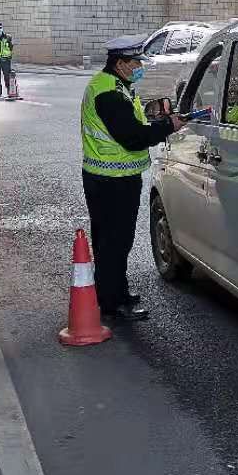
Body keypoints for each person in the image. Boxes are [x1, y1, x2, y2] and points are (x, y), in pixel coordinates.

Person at [81, 35, 185, 321]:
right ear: (120, 63)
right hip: (112, 180)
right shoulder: (109, 93)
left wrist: (154, 120)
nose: (140, 66)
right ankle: (113, 304)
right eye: (136, 61)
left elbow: (133, 124)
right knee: (115, 241)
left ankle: (114, 292)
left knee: (110, 240)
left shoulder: (116, 86)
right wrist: (168, 126)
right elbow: (132, 138)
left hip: (109, 177)